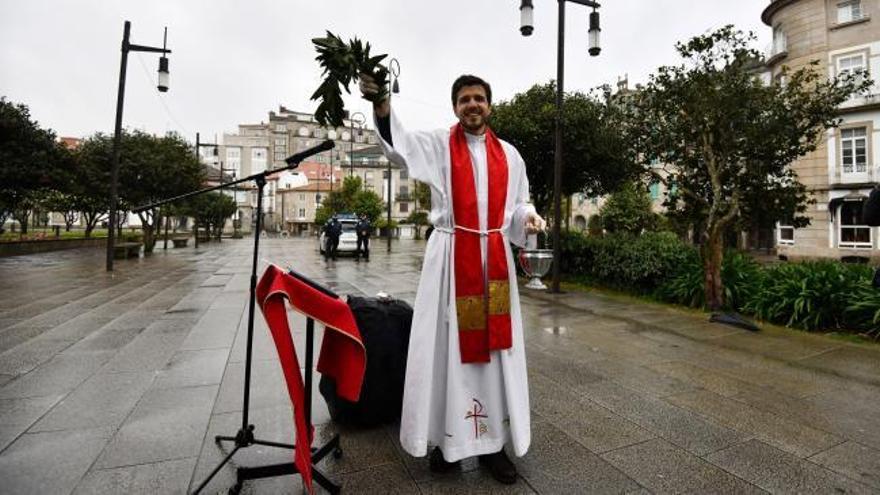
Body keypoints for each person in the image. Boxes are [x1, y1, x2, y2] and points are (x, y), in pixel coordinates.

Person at [360, 73, 546, 484]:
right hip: (451, 260)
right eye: (464, 99)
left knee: (496, 354)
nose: (473, 105)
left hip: (494, 262)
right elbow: (400, 149)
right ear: (455, 107)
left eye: (479, 98)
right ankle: (449, 443)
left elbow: (519, 205)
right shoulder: (439, 145)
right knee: (449, 352)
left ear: (490, 105)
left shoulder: (511, 156)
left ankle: (494, 446)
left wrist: (527, 218)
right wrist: (382, 105)